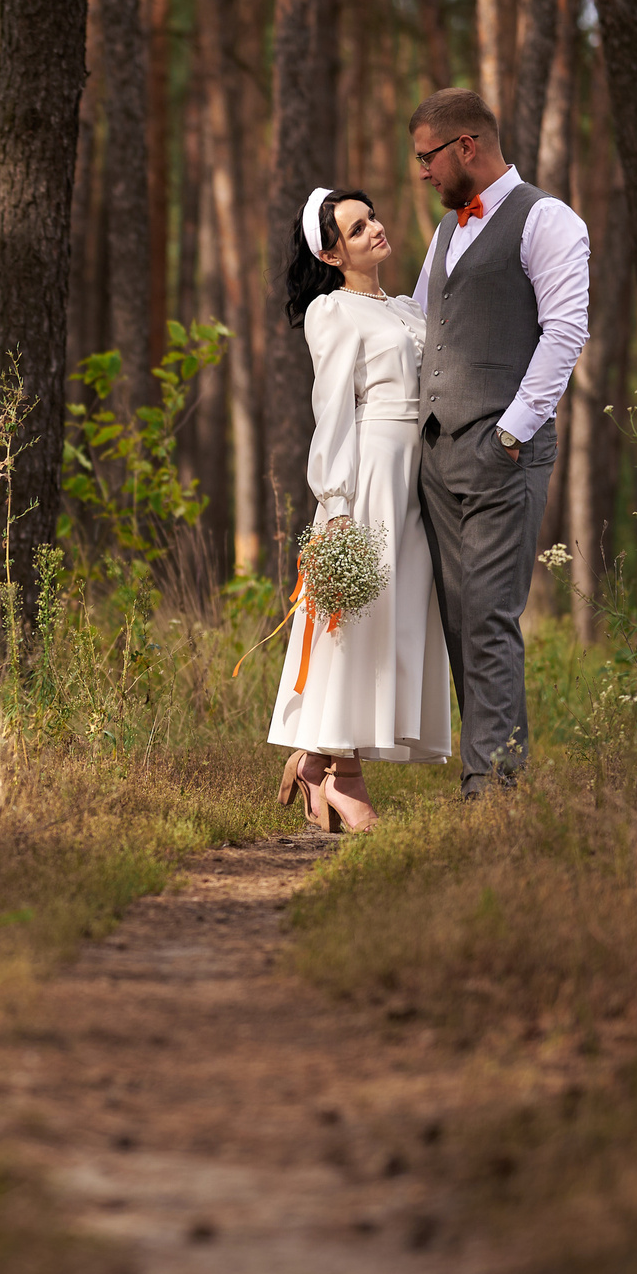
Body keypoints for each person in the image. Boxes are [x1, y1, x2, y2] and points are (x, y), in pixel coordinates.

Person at [406, 88, 590, 798]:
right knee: (459, 621)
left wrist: (511, 432)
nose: (422, 172)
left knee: (488, 615)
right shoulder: (448, 230)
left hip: (500, 454)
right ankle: (482, 773)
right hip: (438, 454)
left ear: (465, 148)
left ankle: (497, 789)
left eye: (427, 156)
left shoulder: (547, 219)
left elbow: (565, 332)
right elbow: (422, 322)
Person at [268, 186, 452, 833]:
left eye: (372, 216)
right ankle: (343, 776)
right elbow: (332, 411)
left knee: (395, 620)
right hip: (369, 477)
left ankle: (318, 761)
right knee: (360, 620)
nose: (375, 227)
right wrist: (338, 505)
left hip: (417, 478)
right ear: (330, 251)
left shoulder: (405, 308)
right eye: (356, 226)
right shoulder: (333, 311)